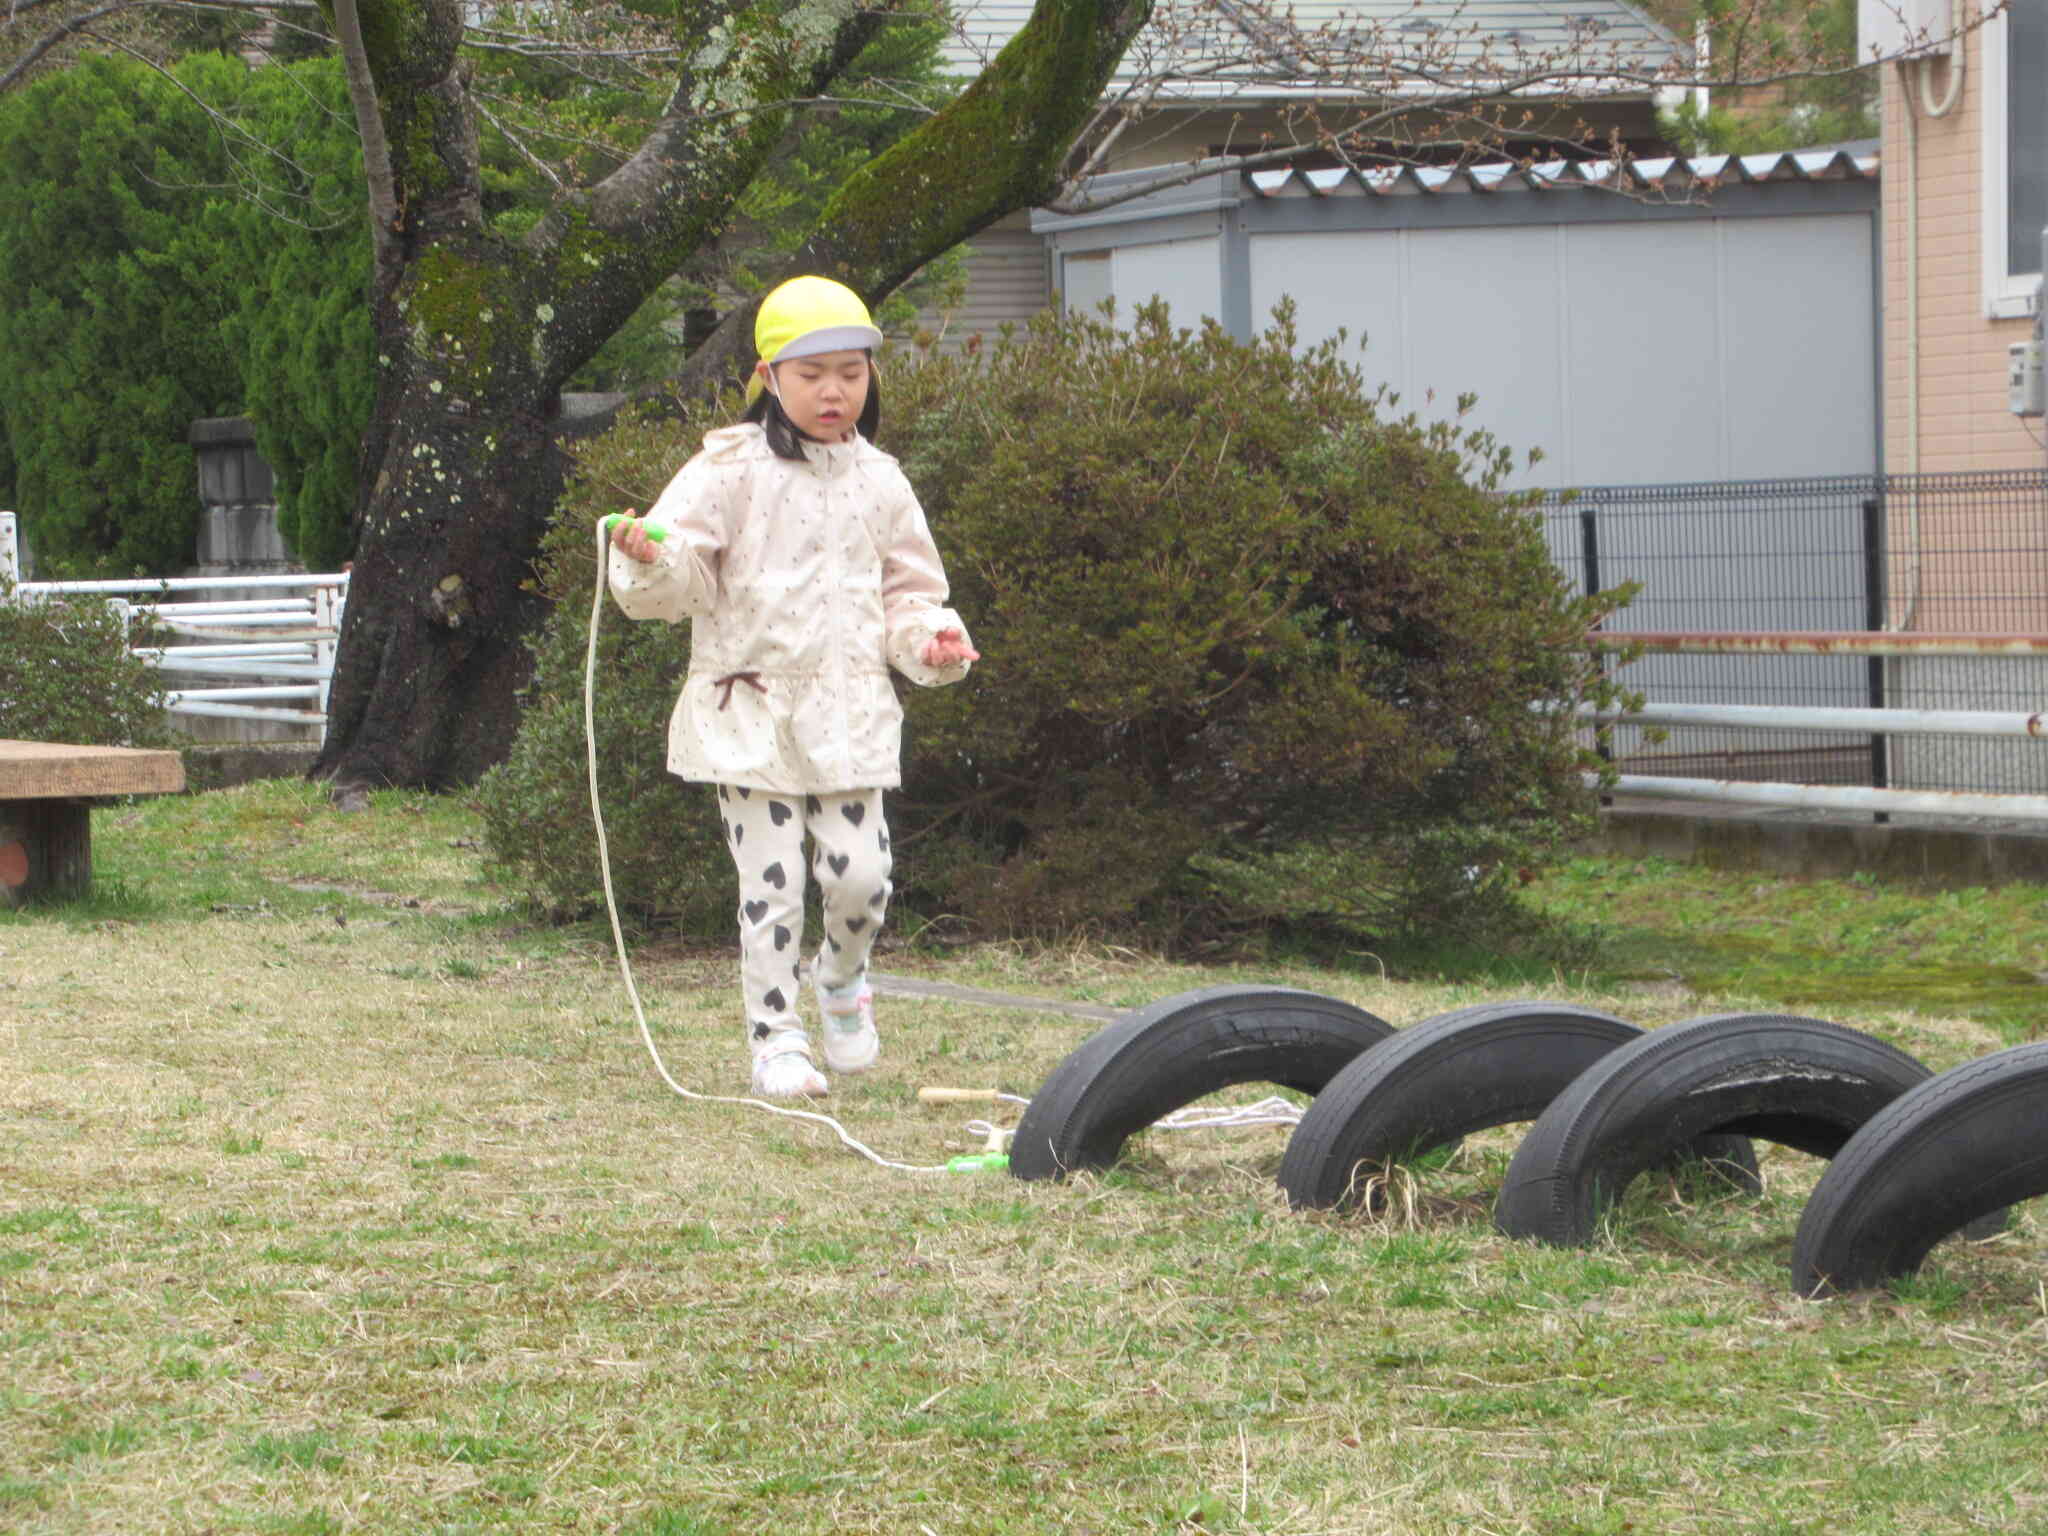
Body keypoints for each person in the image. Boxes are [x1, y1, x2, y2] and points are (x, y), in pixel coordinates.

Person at [607, 276, 979, 1099]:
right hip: (751, 711)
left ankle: (841, 982)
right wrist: (643, 556)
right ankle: (776, 1037)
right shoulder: (727, 469)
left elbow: (910, 595)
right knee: (770, 885)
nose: (833, 390)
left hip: (851, 713)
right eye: (812, 374)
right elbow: (677, 574)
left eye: (850, 371)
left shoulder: (883, 480)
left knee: (862, 877)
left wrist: (932, 639)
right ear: (770, 377)